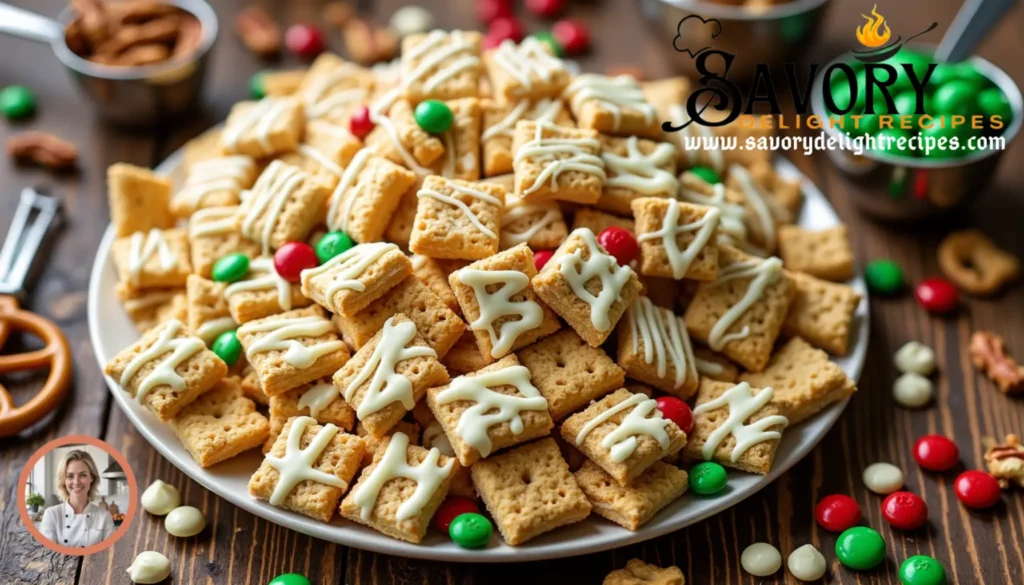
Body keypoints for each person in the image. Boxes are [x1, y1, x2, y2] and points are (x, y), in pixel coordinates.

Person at [39, 450, 115, 548]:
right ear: (64, 480)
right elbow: (49, 555)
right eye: (70, 476)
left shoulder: (104, 517)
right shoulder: (51, 514)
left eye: (83, 475)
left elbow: (110, 554)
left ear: (91, 477)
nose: (76, 482)